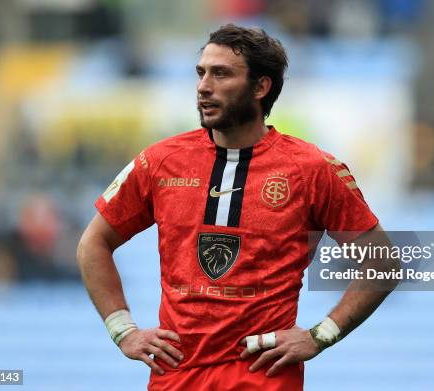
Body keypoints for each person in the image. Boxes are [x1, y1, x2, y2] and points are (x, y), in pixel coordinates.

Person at [77, 24, 398, 391]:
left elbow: (381, 262)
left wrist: (320, 335)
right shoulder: (160, 162)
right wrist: (123, 330)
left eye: (221, 74)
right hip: (176, 377)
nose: (203, 86)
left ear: (261, 87)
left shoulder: (311, 170)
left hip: (263, 376)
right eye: (201, 73)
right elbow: (93, 243)